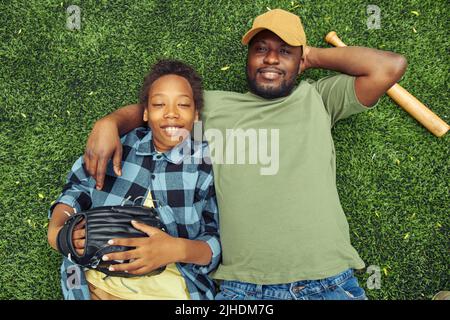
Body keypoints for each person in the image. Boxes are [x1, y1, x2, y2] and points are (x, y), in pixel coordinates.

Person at [82, 9, 407, 300]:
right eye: (261, 49)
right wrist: (109, 122)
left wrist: (314, 56)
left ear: (300, 61)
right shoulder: (212, 106)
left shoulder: (318, 99)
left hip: (329, 281)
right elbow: (153, 110)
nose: (270, 59)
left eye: (285, 52)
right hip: (244, 289)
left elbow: (389, 67)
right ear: (249, 57)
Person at [47, 59, 221, 300]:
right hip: (96, 285)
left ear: (196, 115)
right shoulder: (119, 145)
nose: (171, 112)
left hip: (174, 290)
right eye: (160, 104)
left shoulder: (205, 164)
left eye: (183, 104)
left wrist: (176, 249)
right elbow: (76, 189)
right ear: (146, 113)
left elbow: (214, 240)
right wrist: (58, 230)